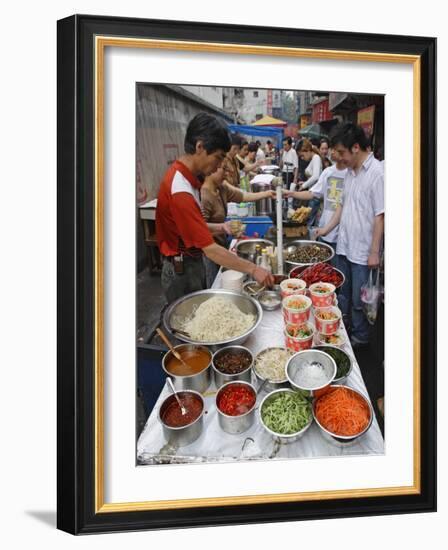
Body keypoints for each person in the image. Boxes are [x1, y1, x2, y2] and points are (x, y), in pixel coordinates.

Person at [156, 112, 274, 303]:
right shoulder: (180, 190)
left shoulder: (189, 179)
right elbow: (210, 249)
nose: (221, 165)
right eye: (218, 158)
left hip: (191, 264)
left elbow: (192, 227)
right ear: (200, 147)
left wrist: (220, 227)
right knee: (186, 327)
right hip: (182, 271)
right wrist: (253, 268)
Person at [315, 123, 384, 347]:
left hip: (363, 252)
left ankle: (360, 339)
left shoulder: (377, 173)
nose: (339, 159)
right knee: (342, 293)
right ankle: (343, 332)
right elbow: (341, 207)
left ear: (356, 147)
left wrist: (374, 252)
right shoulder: (350, 173)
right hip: (344, 245)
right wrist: (325, 230)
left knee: (358, 300)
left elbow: (380, 215)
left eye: (341, 153)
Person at [201, 167, 276, 286]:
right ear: (211, 168)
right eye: (223, 170)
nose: (227, 174)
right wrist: (222, 227)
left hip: (221, 245)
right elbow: (199, 229)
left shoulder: (221, 189)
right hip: (210, 252)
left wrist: (267, 193)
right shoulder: (204, 196)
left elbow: (243, 196)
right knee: (216, 282)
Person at [285, 147, 347, 255]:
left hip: (344, 236)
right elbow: (312, 193)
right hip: (325, 231)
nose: (331, 151)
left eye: (335, 148)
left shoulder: (351, 173)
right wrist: (291, 193)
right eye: (331, 148)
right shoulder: (328, 172)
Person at [295, 139, 323, 222]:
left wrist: (304, 185)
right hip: (312, 193)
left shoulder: (316, 158)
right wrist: (304, 183)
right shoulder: (314, 159)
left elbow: (316, 176)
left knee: (309, 221)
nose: (302, 158)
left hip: (315, 195)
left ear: (307, 151)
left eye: (302, 155)